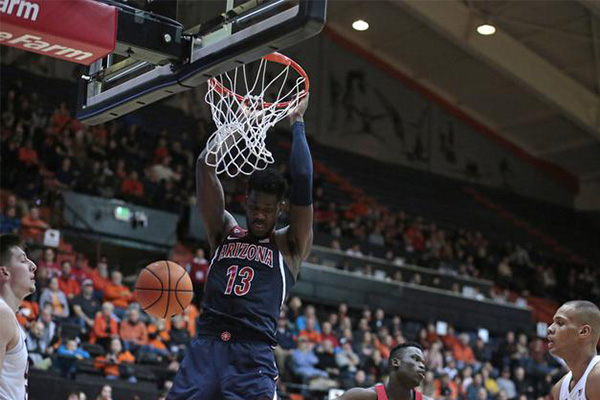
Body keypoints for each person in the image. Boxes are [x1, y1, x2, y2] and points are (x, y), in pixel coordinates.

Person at [168, 95, 313, 400]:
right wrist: (239, 124)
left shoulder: (289, 244)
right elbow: (205, 165)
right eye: (255, 207)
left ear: (280, 209)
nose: (260, 215)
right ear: (246, 201)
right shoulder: (223, 231)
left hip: (252, 357)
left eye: (268, 210)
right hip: (206, 348)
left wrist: (297, 122)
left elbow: (302, 178)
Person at [0, 234, 38, 400]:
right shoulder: (2, 314)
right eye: (23, 260)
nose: (33, 266)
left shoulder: (8, 315)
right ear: (4, 272)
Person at [334, 342, 431, 400]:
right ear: (396, 362)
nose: (422, 366)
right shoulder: (362, 396)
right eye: (416, 359)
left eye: (423, 362)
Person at [548, 300, 600, 400]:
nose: (550, 328)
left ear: (583, 331)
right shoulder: (559, 389)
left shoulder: (598, 376)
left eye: (560, 323)